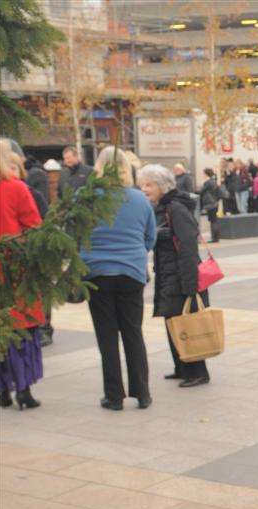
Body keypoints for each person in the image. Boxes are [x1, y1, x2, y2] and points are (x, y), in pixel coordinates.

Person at [80, 147, 156, 411]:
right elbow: (150, 237)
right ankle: (142, 393)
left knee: (107, 337)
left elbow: (75, 235)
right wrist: (133, 254)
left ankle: (114, 396)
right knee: (133, 333)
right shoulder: (139, 199)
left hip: (97, 273)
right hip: (132, 273)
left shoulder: (85, 198)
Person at [138, 163, 211, 388]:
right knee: (173, 322)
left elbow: (188, 246)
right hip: (169, 274)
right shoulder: (163, 207)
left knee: (187, 324)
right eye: (142, 186)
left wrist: (190, 285)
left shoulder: (175, 208)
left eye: (148, 185)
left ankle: (198, 372)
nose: (144, 190)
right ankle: (181, 367)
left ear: (161, 185)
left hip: (181, 276)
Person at [0, 139, 44, 410]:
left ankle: (3, 389)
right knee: (22, 329)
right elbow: (34, 228)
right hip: (15, 271)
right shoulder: (16, 188)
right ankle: (23, 389)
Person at [197, 168, 221, 243]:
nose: (202, 175)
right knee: (214, 220)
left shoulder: (208, 182)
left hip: (210, 204)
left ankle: (214, 238)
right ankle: (216, 238)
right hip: (214, 203)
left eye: (203, 173)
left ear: (206, 174)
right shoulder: (213, 181)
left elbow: (201, 191)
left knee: (213, 221)